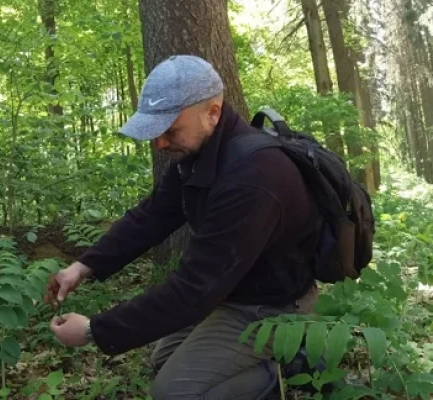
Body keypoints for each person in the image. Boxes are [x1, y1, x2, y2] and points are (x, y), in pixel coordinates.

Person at [44, 55, 321, 399]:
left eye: (170, 130)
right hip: (235, 290)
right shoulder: (201, 156)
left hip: (272, 304)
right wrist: (83, 266)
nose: (160, 143)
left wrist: (93, 331)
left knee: (172, 393)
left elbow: (192, 292)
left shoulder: (253, 178)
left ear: (213, 113)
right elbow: (152, 216)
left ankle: (284, 368)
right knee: (165, 357)